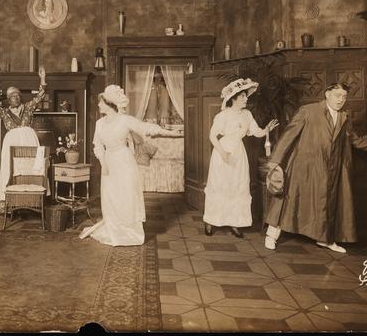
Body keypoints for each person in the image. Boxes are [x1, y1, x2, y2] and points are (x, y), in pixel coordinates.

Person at [264, 82, 367, 253]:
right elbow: (288, 136)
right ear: (327, 94)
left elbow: (357, 141)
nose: (341, 100)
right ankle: (271, 236)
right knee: (289, 200)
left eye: (344, 97)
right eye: (338, 95)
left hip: (330, 170)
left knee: (326, 203)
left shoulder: (344, 117)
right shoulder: (308, 111)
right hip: (304, 167)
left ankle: (325, 240)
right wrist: (275, 161)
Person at [79, 85, 183, 246]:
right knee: (111, 197)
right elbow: (97, 146)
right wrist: (103, 163)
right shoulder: (99, 123)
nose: (98, 105)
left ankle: (130, 233)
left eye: (101, 102)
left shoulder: (125, 120)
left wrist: (170, 133)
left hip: (124, 161)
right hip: (109, 162)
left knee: (126, 195)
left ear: (110, 104)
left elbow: (147, 128)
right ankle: (114, 230)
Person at [204, 78, 278, 238]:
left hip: (239, 154)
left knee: (237, 186)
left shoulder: (247, 114)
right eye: (243, 96)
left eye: (246, 96)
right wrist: (223, 152)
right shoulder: (223, 115)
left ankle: (235, 222)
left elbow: (256, 132)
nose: (246, 99)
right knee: (219, 186)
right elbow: (212, 135)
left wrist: (266, 130)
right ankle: (210, 220)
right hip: (222, 153)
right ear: (234, 98)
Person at [0, 66, 47, 213]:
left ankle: (32, 200)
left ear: (20, 97)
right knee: (9, 168)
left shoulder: (28, 107)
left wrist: (42, 79)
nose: (15, 98)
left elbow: (40, 96)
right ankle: (8, 202)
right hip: (11, 142)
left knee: (30, 167)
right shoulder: (4, 112)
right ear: (8, 99)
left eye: (17, 95)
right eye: (11, 96)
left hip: (29, 139)